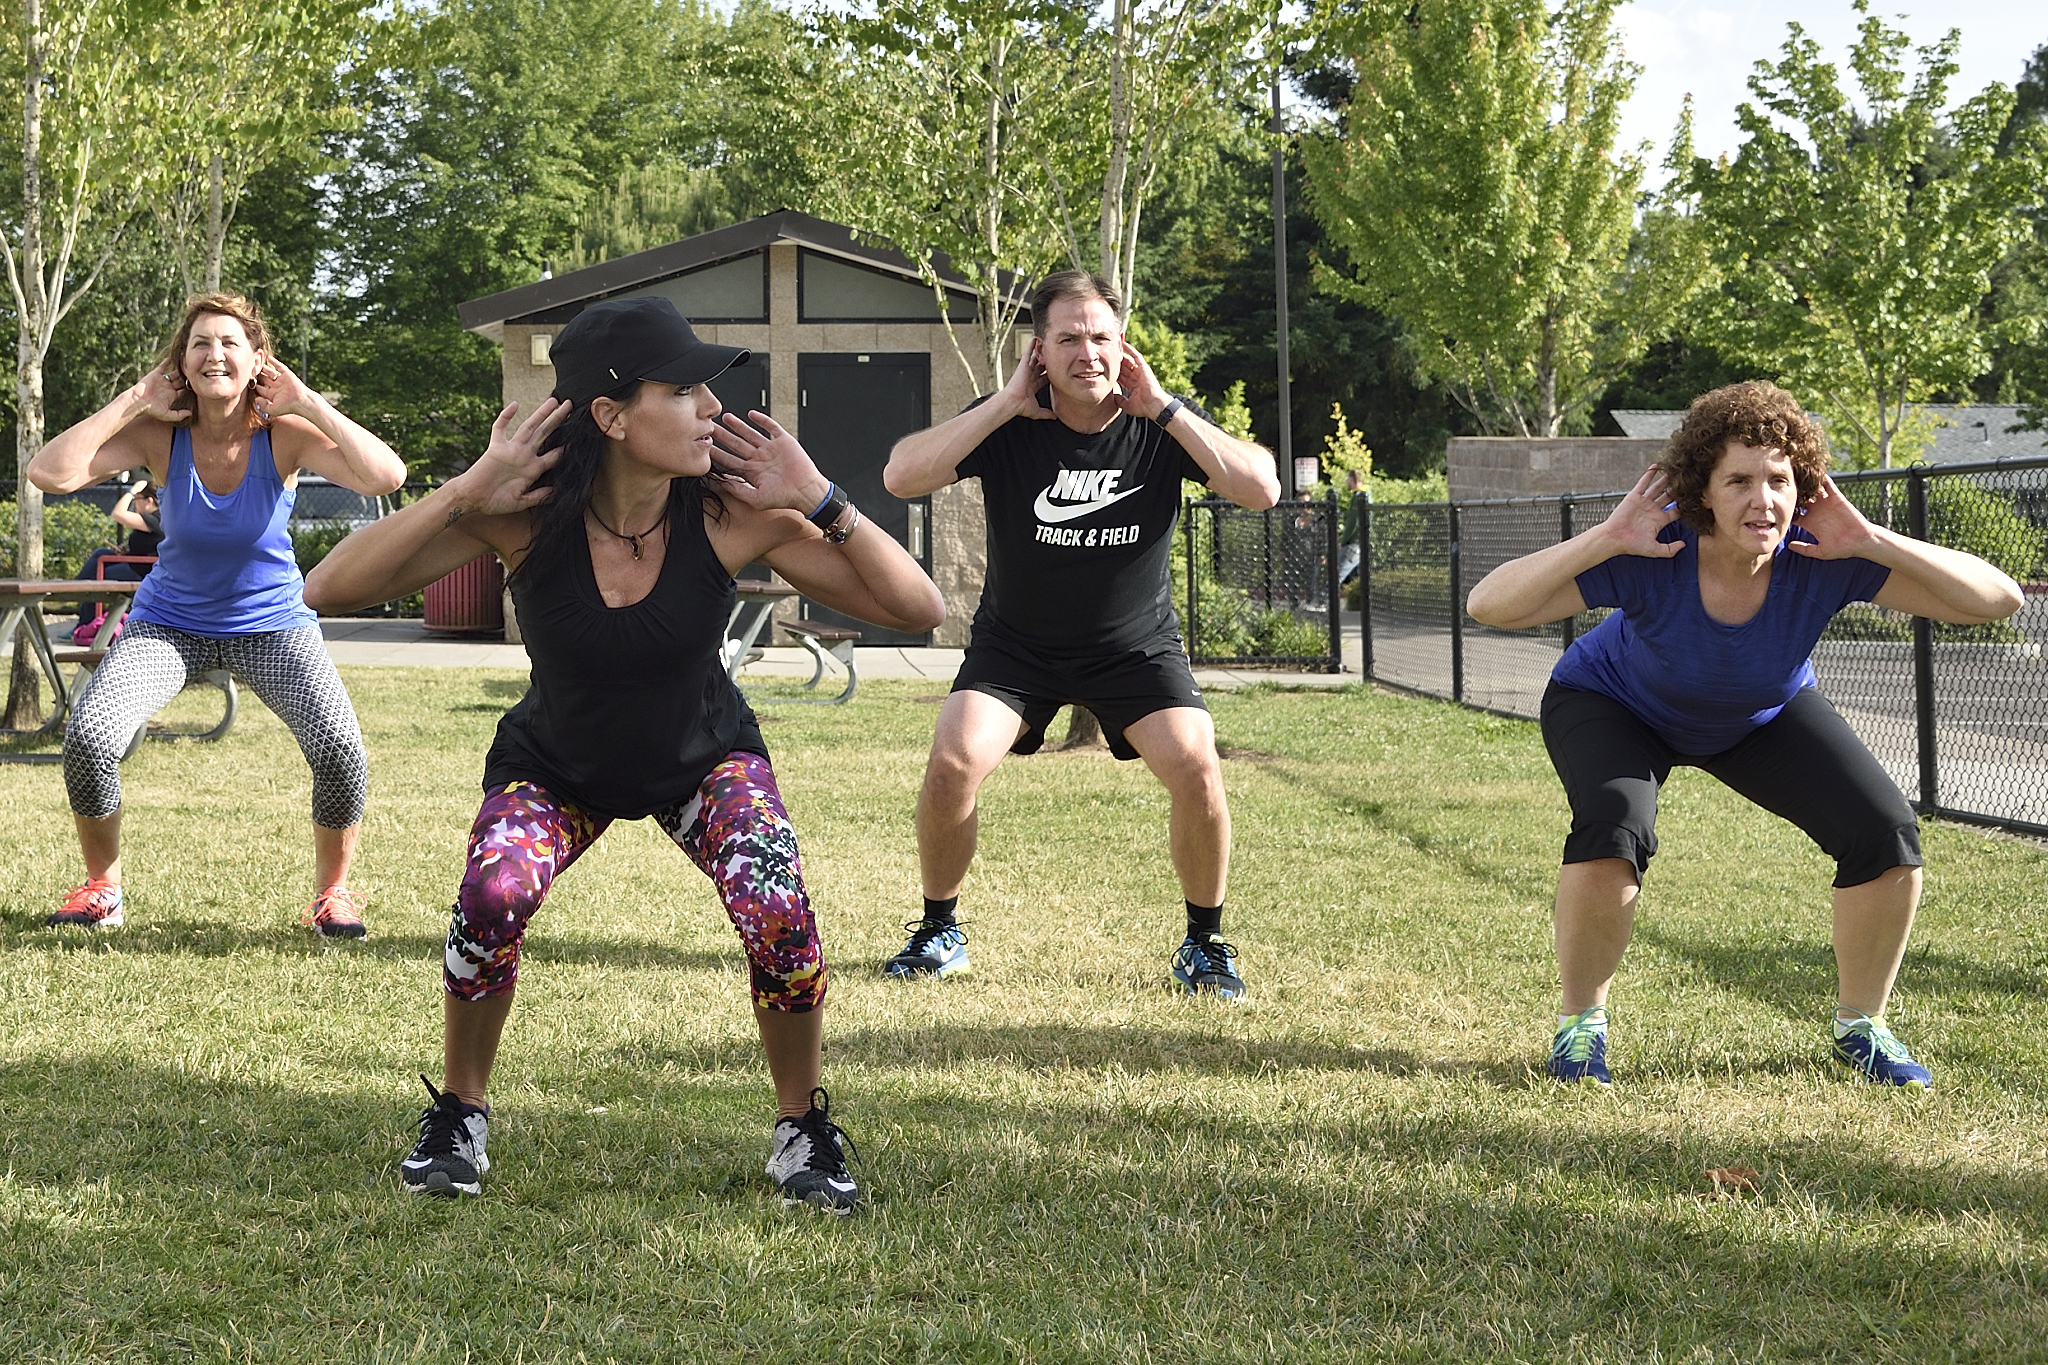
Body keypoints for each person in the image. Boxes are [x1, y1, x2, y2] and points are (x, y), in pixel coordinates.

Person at [304, 296, 944, 1211]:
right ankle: (460, 1113)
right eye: (684, 391)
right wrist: (464, 490)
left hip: (703, 758)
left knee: (777, 905)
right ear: (609, 415)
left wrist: (821, 498)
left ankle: (802, 1125)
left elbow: (917, 608)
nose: (713, 411)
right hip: (558, 766)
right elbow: (330, 588)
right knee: (491, 897)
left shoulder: (730, 513)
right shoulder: (520, 518)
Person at [1465, 381, 2024, 1089]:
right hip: (1614, 703)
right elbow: (1489, 604)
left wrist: (1872, 538)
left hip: (1759, 714)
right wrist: (1607, 537)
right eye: (1739, 480)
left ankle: (1862, 1028)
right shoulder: (1653, 550)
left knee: (1884, 832)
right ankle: (1581, 1028)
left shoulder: (1825, 558)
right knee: (1614, 823)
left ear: (1804, 488)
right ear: (1703, 489)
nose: (1763, 499)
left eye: (1780, 480)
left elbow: (1997, 600)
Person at [879, 271, 1281, 998]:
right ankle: (940, 930)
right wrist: (1002, 404)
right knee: (951, 763)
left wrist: (1165, 408)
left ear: (1122, 346)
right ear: (1040, 351)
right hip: (1016, 649)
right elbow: (900, 475)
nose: (1086, 353)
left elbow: (1263, 488)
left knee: (1198, 767)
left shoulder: (1160, 424)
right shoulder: (1009, 423)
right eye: (1068, 338)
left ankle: (1205, 944)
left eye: (1100, 337)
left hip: (1136, 649)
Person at [27, 292, 406, 936]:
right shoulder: (159, 435)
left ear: (257, 358)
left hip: (273, 625)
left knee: (340, 745)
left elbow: (386, 477)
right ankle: (101, 889)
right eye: (200, 343)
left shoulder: (283, 435)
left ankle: (334, 895)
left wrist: (307, 401)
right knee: (90, 737)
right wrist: (135, 399)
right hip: (168, 625)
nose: (215, 354)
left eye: (230, 342)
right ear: (183, 362)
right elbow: (48, 473)